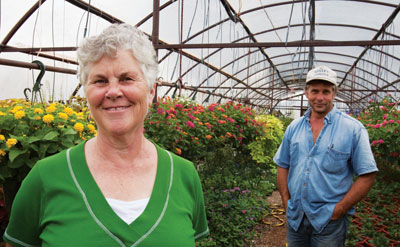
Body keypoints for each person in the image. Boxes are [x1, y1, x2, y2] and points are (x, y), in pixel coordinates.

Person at [3, 23, 209, 247]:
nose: (113, 92)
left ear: (151, 91)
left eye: (126, 79)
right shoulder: (45, 177)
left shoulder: (184, 175)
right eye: (100, 81)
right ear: (86, 92)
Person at [273, 65, 378, 247]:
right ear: (306, 93)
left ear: (334, 93)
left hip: (329, 221)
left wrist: (340, 209)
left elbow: (367, 174)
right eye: (315, 91)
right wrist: (285, 200)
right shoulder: (294, 127)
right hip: (296, 217)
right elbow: (283, 164)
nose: (320, 98)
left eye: (326, 92)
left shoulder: (353, 129)